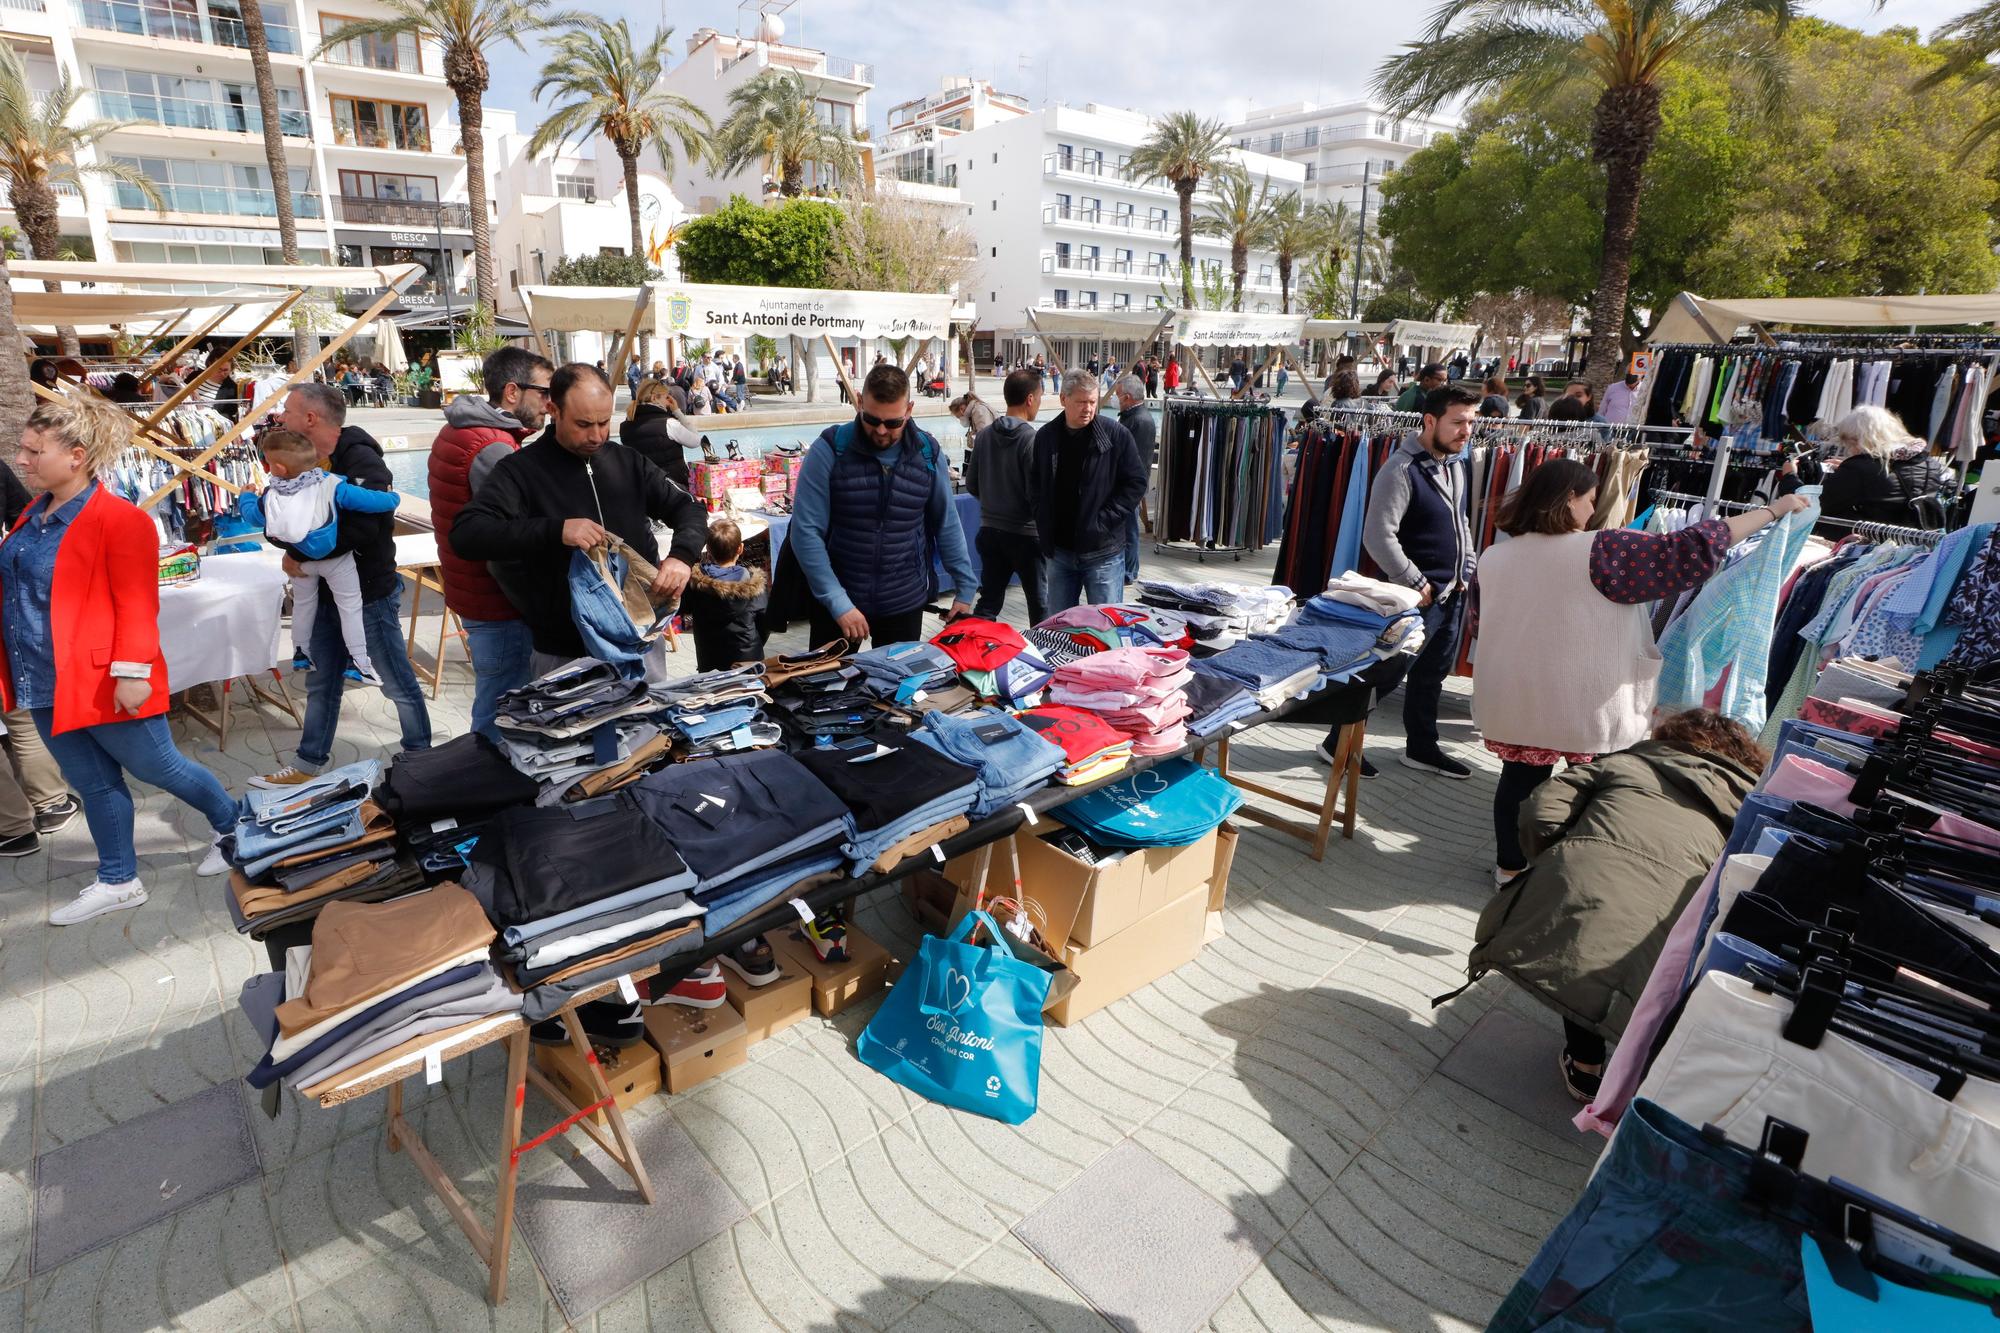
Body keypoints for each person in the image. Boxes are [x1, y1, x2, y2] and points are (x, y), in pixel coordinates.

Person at [1472, 456, 1810, 883]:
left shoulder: (1495, 556)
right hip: (1589, 698)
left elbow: (1482, 622)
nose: (1592, 509)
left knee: (1520, 780)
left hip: (1515, 692)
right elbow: (1695, 545)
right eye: (1589, 499)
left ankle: (1510, 867)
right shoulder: (1605, 548)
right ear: (1569, 499)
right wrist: (1773, 510)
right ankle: (1574, 874)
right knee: (1597, 787)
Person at [1, 397, 239, 923]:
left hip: (103, 677)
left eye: (32, 450)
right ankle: (118, 879)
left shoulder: (119, 519)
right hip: (41, 676)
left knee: (161, 767)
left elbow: (137, 603)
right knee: (92, 783)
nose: (21, 460)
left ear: (76, 456)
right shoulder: (31, 514)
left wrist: (132, 673)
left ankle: (236, 826)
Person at [1464, 708, 1768, 1103]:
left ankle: (1587, 1064)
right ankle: (1634, 1071)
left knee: (1588, 940)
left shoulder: (1625, 763)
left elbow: (1540, 812)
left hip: (1587, 887)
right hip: (1681, 917)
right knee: (1637, 961)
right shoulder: (1751, 810)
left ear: (1670, 737)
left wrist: (1563, 859)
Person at [450, 364, 709, 670]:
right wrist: (555, 531)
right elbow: (467, 534)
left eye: (603, 422)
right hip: (564, 649)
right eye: (584, 424)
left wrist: (681, 556)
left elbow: (689, 507)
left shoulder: (628, 462)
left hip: (639, 637)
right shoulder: (519, 471)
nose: (597, 435)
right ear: (553, 410)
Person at [255, 383, 432, 788]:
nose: (281, 417)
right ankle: (308, 763)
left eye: (287, 410)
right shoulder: (298, 461)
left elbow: (368, 527)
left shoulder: (361, 459)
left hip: (368, 595)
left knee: (396, 682)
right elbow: (279, 519)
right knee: (322, 681)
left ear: (311, 419)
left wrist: (301, 553)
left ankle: (422, 759)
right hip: (323, 595)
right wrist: (293, 545)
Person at [1323, 384, 1481, 779]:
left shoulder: (1455, 462)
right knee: (1385, 673)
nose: (1467, 431)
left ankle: (1422, 748)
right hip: (1415, 599)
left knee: (1431, 676)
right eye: (1458, 422)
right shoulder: (1400, 469)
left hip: (1451, 592)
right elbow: (1378, 535)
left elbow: (1460, 521)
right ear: (1430, 421)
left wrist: (1468, 566)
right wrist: (1415, 581)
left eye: (1471, 422)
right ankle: (1336, 742)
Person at [785, 363, 976, 647]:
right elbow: (805, 532)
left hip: (903, 601)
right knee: (829, 689)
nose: (882, 431)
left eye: (894, 423)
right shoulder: (829, 449)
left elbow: (946, 523)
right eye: (872, 419)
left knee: (898, 690)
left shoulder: (927, 452)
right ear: (860, 403)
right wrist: (838, 602)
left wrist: (965, 588)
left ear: (909, 410)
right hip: (839, 601)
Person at [427, 345, 554, 741]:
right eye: (544, 392)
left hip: (473, 590)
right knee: (502, 707)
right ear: (512, 392)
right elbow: (504, 537)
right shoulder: (493, 447)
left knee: (495, 697)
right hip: (497, 600)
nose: (550, 404)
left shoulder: (459, 428)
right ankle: (484, 787)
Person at [241, 429, 403, 686]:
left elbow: (252, 517)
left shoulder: (271, 495)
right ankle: (359, 662)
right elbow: (369, 501)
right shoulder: (332, 485)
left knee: (304, 605)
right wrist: (393, 497)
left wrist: (246, 496)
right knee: (350, 607)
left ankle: (301, 653)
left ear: (279, 469)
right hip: (335, 560)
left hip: (301, 562)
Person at [1030, 370, 1147, 611]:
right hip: (1059, 552)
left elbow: (1136, 484)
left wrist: (1103, 521)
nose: (1088, 408)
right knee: (1059, 628)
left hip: (1103, 552)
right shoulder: (1046, 437)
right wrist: (1042, 520)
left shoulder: (1116, 435)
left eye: (1093, 402)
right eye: (1081, 402)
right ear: (1064, 399)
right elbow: (1035, 485)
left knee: (1106, 627)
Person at [963, 369, 1045, 624]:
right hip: (1026, 535)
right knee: (1040, 603)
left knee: (988, 602)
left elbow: (972, 484)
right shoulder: (1031, 438)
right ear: (1030, 399)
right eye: (1040, 397)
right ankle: (1046, 656)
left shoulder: (984, 435)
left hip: (990, 531)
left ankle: (974, 650)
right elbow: (1037, 494)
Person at [1811, 405, 1949, 529]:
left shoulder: (1860, 468)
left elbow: (1818, 506)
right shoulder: (1929, 463)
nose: (1849, 449)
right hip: (1913, 544)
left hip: (1867, 544)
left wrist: (1791, 478)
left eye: (1850, 443)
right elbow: (1889, 483)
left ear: (1860, 440)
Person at [679, 517, 769, 671]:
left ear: (707, 548)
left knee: (713, 693)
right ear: (740, 549)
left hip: (709, 658)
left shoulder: (696, 584)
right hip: (748, 659)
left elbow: (683, 607)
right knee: (750, 694)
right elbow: (765, 623)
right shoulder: (754, 586)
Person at [620, 378, 705, 493]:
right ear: (655, 398)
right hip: (672, 488)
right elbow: (696, 441)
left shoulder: (625, 427)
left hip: (642, 489)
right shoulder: (668, 424)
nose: (668, 402)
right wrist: (677, 412)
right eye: (666, 397)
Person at [1113, 372, 1157, 584]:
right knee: (1126, 530)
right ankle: (1127, 569)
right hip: (1128, 486)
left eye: (1118, 394)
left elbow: (1133, 459)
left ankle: (1129, 572)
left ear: (1127, 397)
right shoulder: (1134, 417)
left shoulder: (1139, 421)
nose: (1115, 398)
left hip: (1129, 488)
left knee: (1129, 531)